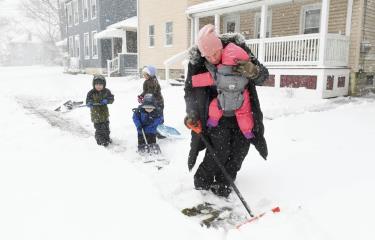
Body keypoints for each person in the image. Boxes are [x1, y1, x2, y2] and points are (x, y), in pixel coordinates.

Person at [184, 24, 268, 197]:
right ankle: (202, 182)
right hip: (217, 116)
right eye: (207, 55)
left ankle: (224, 182)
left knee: (239, 151)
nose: (212, 58)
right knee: (219, 151)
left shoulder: (239, 53)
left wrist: (253, 71)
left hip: (243, 115)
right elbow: (190, 90)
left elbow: (263, 76)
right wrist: (192, 112)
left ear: (220, 46)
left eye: (214, 53)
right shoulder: (198, 63)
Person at [86, 75, 114, 147]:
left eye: (100, 84)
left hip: (104, 114)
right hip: (96, 115)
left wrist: (107, 100)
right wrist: (89, 103)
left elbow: (111, 99)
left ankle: (107, 139)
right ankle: (101, 142)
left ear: (104, 84)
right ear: (94, 85)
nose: (98, 86)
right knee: (99, 130)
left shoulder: (106, 91)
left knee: (106, 128)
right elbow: (87, 101)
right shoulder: (91, 93)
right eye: (97, 84)